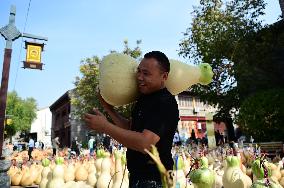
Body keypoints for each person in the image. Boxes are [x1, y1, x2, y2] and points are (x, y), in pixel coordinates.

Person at [84, 51, 179, 187]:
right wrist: (110, 110)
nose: (139, 77)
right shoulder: (144, 98)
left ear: (164, 76)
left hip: (155, 181)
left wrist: (105, 127)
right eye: (138, 71)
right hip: (139, 179)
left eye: (146, 73)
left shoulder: (165, 102)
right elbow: (131, 129)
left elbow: (145, 143)